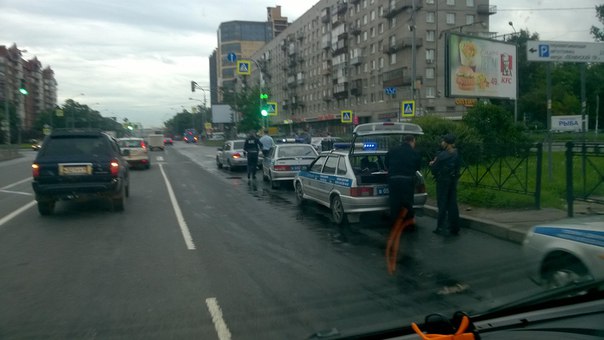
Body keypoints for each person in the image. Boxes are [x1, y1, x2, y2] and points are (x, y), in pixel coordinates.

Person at [385, 134, 421, 226]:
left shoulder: (393, 150)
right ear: (412, 141)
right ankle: (408, 223)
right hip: (408, 181)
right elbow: (418, 167)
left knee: (394, 203)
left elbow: (386, 163)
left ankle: (394, 223)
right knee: (408, 203)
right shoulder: (414, 152)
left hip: (394, 180)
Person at [430, 133, 461, 236]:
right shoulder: (456, 153)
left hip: (443, 181)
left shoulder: (442, 155)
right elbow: (458, 169)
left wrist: (432, 164)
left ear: (447, 143)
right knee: (452, 203)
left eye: (443, 141)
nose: (441, 142)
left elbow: (434, 168)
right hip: (452, 181)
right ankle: (454, 227)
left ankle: (440, 227)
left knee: (442, 204)